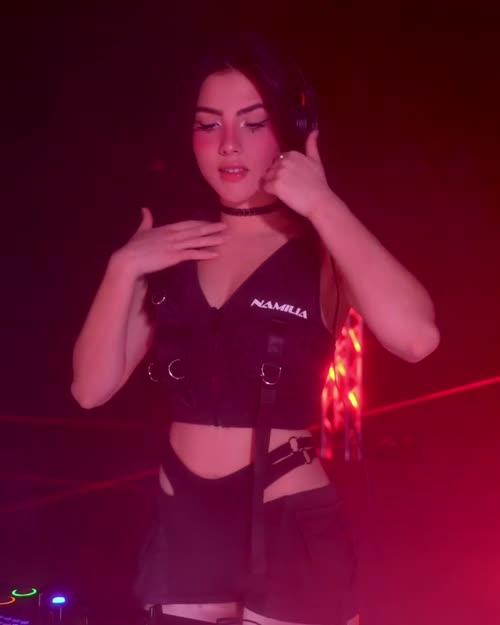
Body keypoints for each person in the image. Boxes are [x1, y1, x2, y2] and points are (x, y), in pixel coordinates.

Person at [71, 33, 440, 625]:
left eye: (252, 122)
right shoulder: (171, 250)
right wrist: (123, 267)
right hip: (184, 524)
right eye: (208, 124)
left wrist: (323, 204)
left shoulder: (322, 246)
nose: (229, 144)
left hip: (288, 519)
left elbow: (417, 338)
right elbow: (90, 389)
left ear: (289, 129)